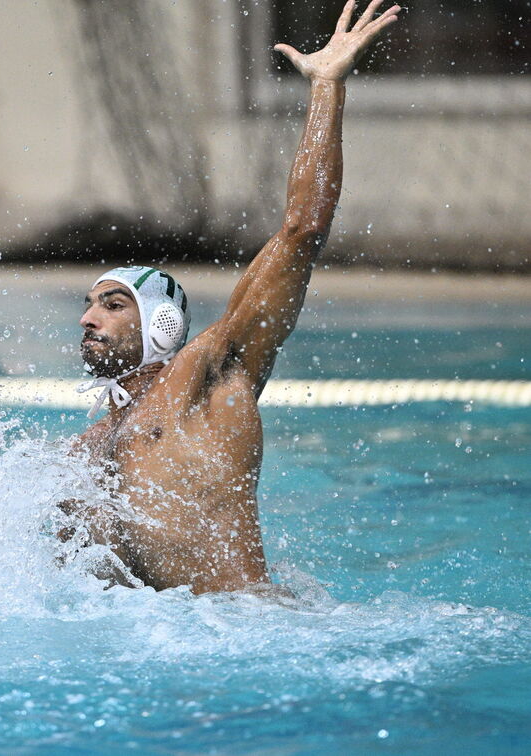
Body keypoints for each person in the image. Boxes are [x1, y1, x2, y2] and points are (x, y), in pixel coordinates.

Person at [66, 0, 400, 594]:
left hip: (251, 630)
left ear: (164, 324)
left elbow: (302, 229)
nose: (90, 319)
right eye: (90, 304)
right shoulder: (86, 449)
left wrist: (326, 86)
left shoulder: (210, 375)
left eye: (114, 305)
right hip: (171, 651)